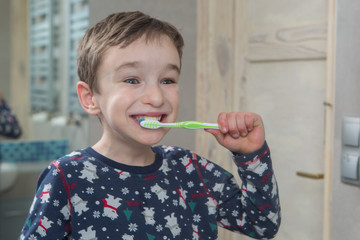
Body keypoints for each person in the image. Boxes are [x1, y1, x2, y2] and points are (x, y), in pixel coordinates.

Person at [19, 11, 280, 239]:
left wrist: (251, 156)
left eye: (167, 80)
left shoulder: (193, 172)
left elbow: (263, 225)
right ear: (90, 98)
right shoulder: (66, 177)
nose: (156, 98)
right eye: (132, 80)